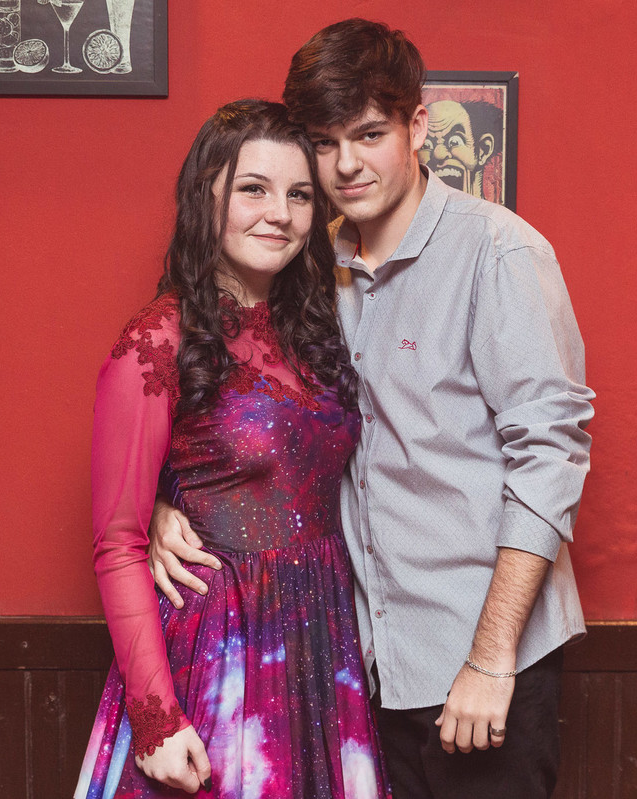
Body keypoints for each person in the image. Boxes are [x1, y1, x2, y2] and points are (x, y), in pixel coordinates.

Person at [148, 19, 594, 799]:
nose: (347, 164)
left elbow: (550, 459)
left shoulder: (500, 253)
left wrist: (491, 660)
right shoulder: (308, 270)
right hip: (359, 667)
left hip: (481, 666)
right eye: (324, 143)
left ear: (418, 125)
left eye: (369, 133)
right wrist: (164, 506)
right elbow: (243, 421)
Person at [74, 99, 389, 799]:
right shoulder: (158, 340)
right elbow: (116, 542)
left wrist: (171, 498)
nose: (279, 212)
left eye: (299, 195)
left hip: (319, 651)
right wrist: (156, 719)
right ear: (206, 197)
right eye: (254, 188)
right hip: (217, 659)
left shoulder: (314, 328)